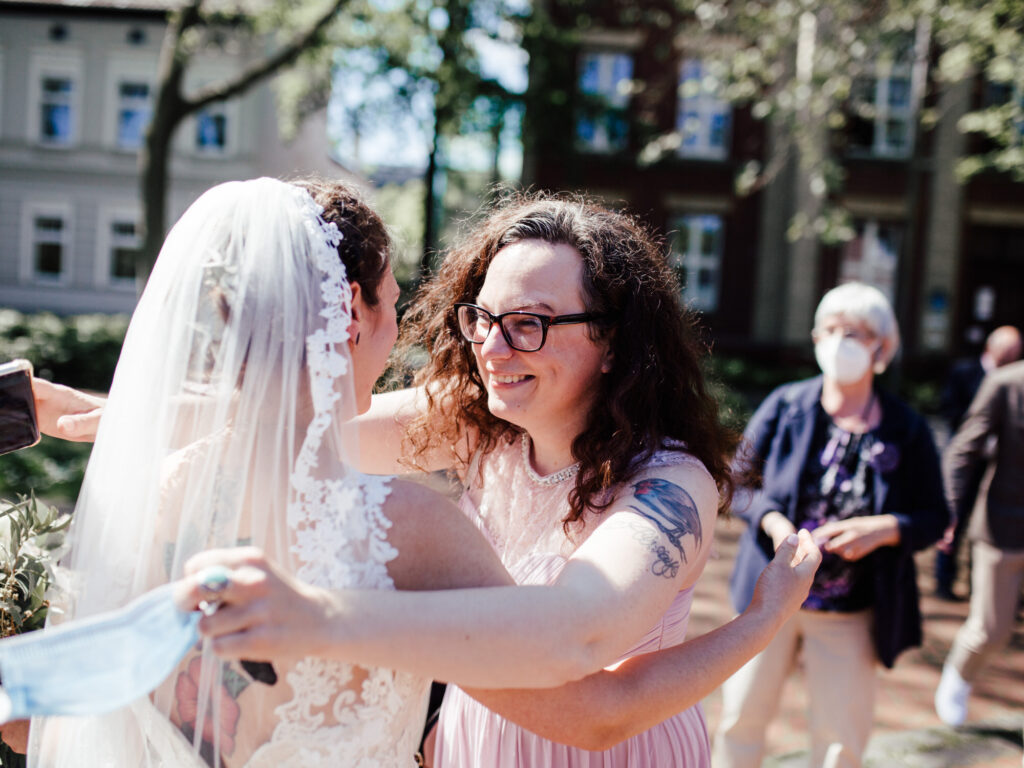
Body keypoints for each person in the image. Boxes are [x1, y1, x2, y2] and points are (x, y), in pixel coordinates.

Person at [29, 184, 820, 766]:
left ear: (614, 342)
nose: (493, 347)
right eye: (482, 315)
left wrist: (758, 621)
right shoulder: (479, 417)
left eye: (531, 324)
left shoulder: (669, 486)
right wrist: (79, 412)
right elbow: (286, 417)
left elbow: (581, 640)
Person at [711, 282, 950, 768]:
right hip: (772, 597)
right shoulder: (786, 406)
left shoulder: (906, 426)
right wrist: (776, 524)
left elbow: (934, 516)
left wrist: (884, 528)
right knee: (741, 719)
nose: (840, 341)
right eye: (831, 329)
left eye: (856, 332)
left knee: (841, 741)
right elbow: (738, 484)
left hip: (852, 609)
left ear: (881, 347)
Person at [934, 359, 1024, 727]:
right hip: (1004, 525)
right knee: (991, 628)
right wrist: (949, 510)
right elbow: (963, 449)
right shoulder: (1007, 383)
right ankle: (959, 675)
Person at [934, 325, 1021, 600]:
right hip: (969, 459)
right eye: (1006, 351)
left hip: (996, 466)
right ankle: (944, 580)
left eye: (1015, 352)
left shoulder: (1014, 381)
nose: (1010, 356)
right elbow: (949, 408)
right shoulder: (966, 372)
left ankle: (979, 585)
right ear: (990, 348)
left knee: (986, 525)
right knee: (954, 521)